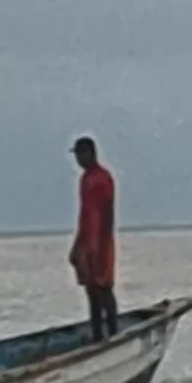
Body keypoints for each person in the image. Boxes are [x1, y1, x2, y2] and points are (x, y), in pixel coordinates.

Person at [69, 136, 118, 342]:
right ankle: (98, 334)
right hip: (88, 243)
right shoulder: (86, 180)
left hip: (100, 243)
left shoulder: (102, 179)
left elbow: (106, 215)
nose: (78, 160)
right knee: (92, 291)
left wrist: (98, 246)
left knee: (104, 288)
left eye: (81, 154)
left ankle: (114, 332)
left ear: (90, 153)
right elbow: (84, 217)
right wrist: (78, 246)